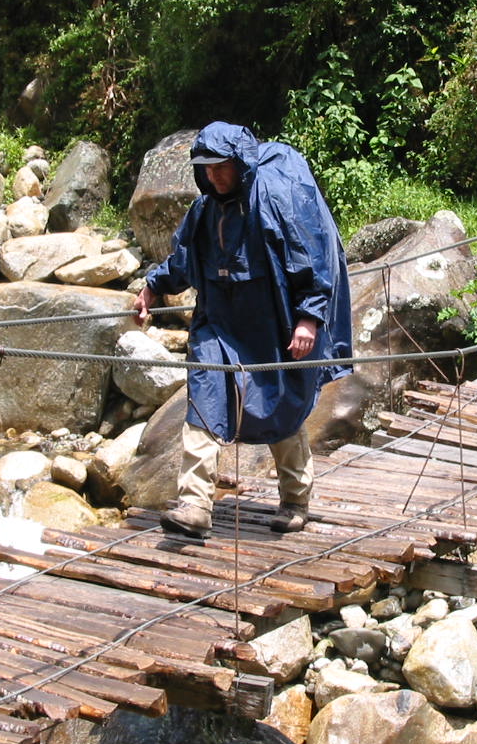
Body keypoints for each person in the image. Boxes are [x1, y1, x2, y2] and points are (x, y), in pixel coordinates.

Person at [134, 121, 352, 538]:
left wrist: (309, 317)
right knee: (204, 403)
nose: (214, 176)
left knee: (280, 408)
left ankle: (294, 500)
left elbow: (310, 263)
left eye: (222, 167)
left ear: (240, 164)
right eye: (207, 168)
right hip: (217, 324)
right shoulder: (203, 212)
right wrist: (151, 287)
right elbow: (181, 262)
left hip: (270, 325)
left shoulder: (274, 204)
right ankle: (195, 505)